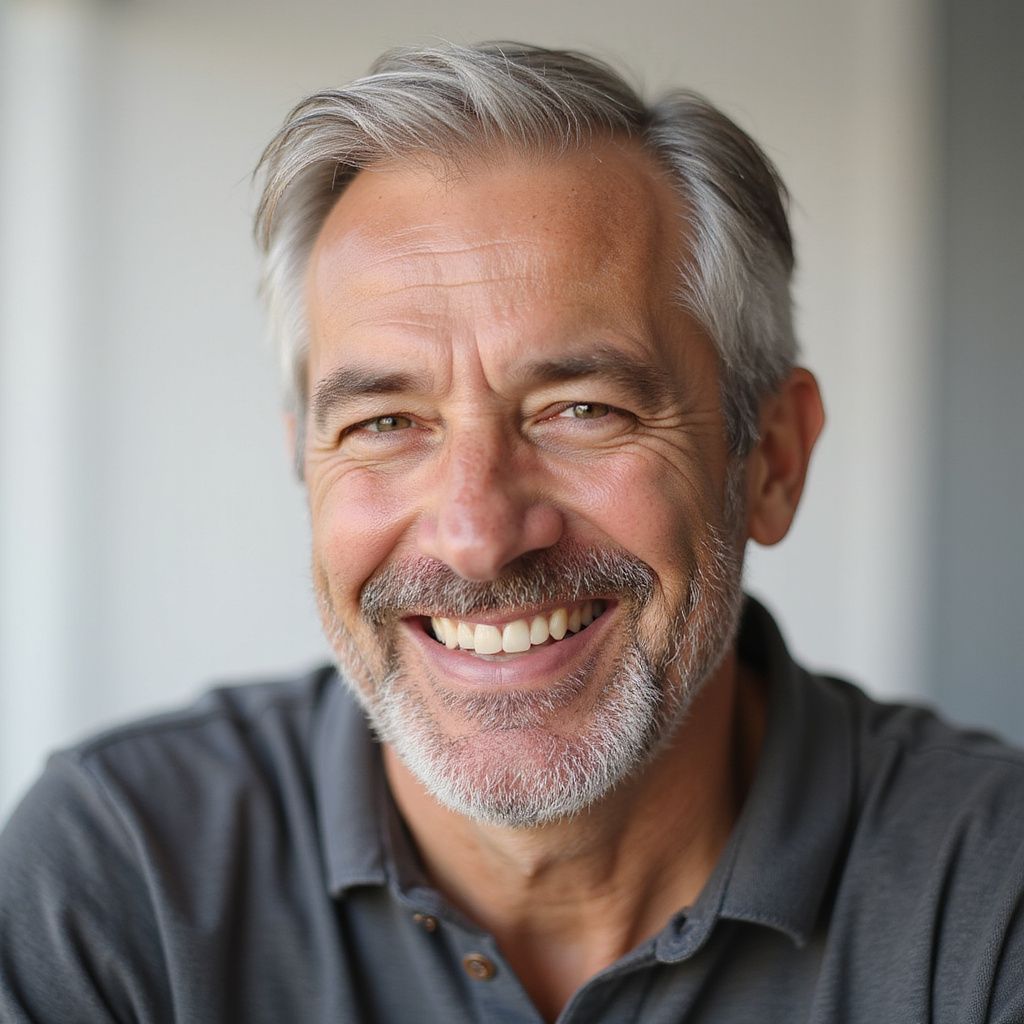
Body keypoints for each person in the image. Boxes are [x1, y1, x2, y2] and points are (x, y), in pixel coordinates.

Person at [1, 42, 1022, 1024]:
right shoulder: (117, 872)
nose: (477, 534)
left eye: (581, 409)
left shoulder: (989, 893)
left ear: (771, 460)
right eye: (385, 424)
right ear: (306, 465)